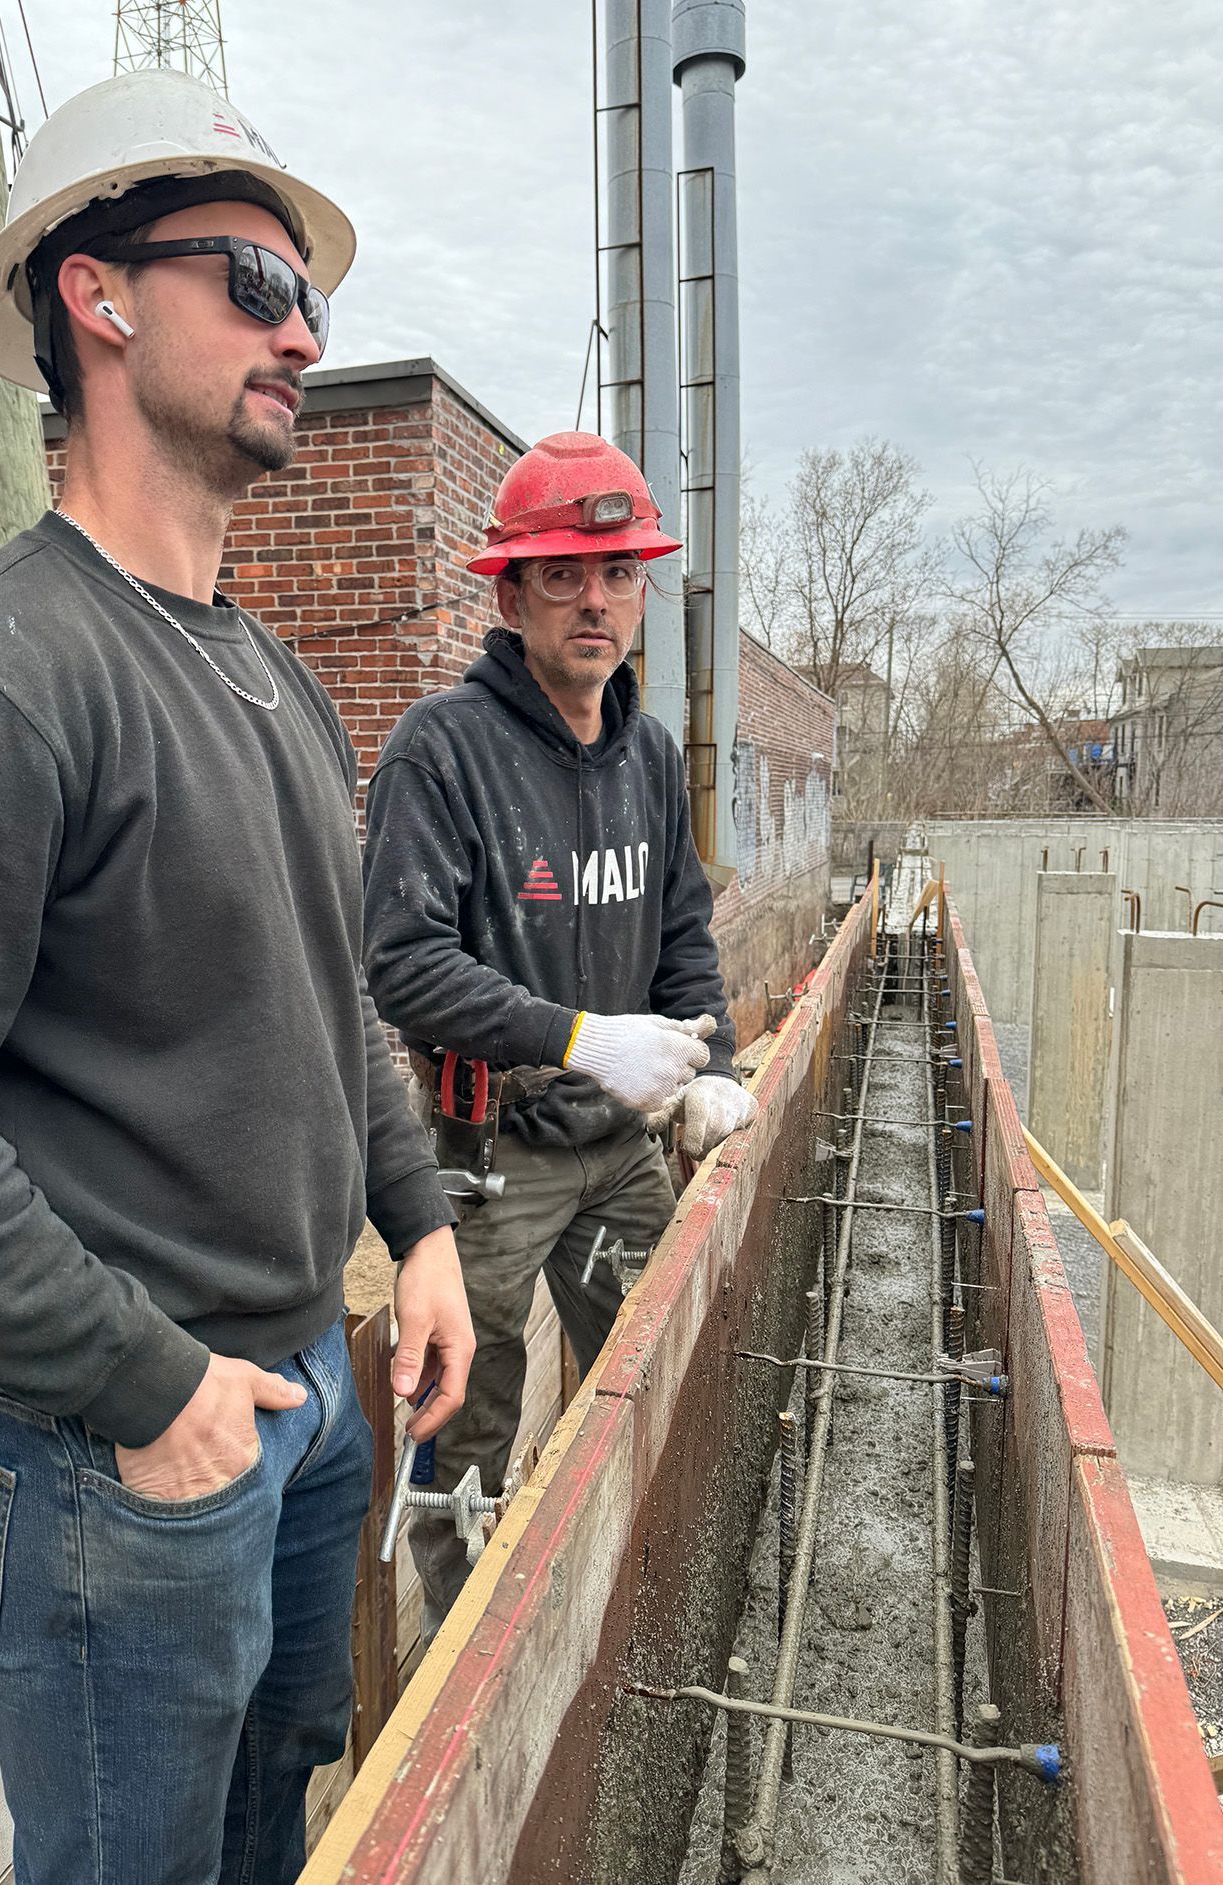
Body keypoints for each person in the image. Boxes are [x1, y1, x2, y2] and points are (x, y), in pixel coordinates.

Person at [0, 69, 472, 1885]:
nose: (303, 331)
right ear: (95, 296)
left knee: (263, 1826)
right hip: (114, 1461)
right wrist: (140, 1383)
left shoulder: (266, 674)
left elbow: (331, 994)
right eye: (254, 281)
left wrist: (411, 1227)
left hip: (299, 1406)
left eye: (311, 295)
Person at [362, 430, 756, 1634]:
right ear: (511, 590)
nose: (596, 599)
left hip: (618, 1147)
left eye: (620, 573)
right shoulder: (447, 750)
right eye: (564, 574)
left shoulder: (644, 754)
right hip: (490, 1162)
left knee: (673, 1348)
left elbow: (684, 931)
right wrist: (577, 1035)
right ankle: (462, 1648)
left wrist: (713, 1067)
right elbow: (404, 967)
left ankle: (649, 1603)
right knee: (468, 1416)